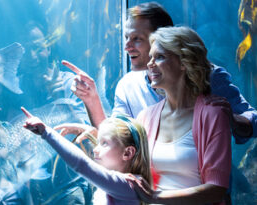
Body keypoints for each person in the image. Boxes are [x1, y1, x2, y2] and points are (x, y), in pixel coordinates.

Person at [63, 2, 256, 144]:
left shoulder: (208, 76)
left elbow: (252, 121)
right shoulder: (127, 85)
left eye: (137, 39)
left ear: (163, 38)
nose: (127, 47)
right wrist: (91, 99)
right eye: (126, 38)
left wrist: (229, 119)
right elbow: (118, 136)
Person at [130, 26, 231, 204]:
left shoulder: (213, 114)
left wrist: (155, 196)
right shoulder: (145, 117)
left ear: (184, 63)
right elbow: (126, 165)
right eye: (150, 57)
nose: (150, 64)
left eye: (159, 57)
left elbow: (216, 189)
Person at [21, 106, 150, 205]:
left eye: (104, 143)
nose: (95, 150)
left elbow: (82, 165)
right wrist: (84, 130)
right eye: (98, 142)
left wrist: (46, 133)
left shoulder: (128, 185)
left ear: (127, 153)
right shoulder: (123, 182)